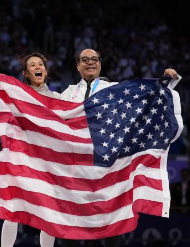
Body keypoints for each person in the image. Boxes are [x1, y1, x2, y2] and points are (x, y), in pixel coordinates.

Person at [60, 48, 178, 247]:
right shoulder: (69, 93)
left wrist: (165, 80)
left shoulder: (114, 88)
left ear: (100, 64)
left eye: (94, 59)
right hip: (79, 165)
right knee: (73, 223)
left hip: (108, 164)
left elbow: (144, 96)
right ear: (78, 66)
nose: (90, 62)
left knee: (110, 220)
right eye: (85, 60)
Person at [0, 52, 57, 247]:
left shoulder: (57, 98)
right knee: (14, 210)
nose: (37, 67)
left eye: (40, 64)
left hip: (47, 162)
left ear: (46, 71)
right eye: (32, 65)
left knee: (49, 214)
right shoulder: (17, 95)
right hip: (21, 159)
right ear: (26, 72)